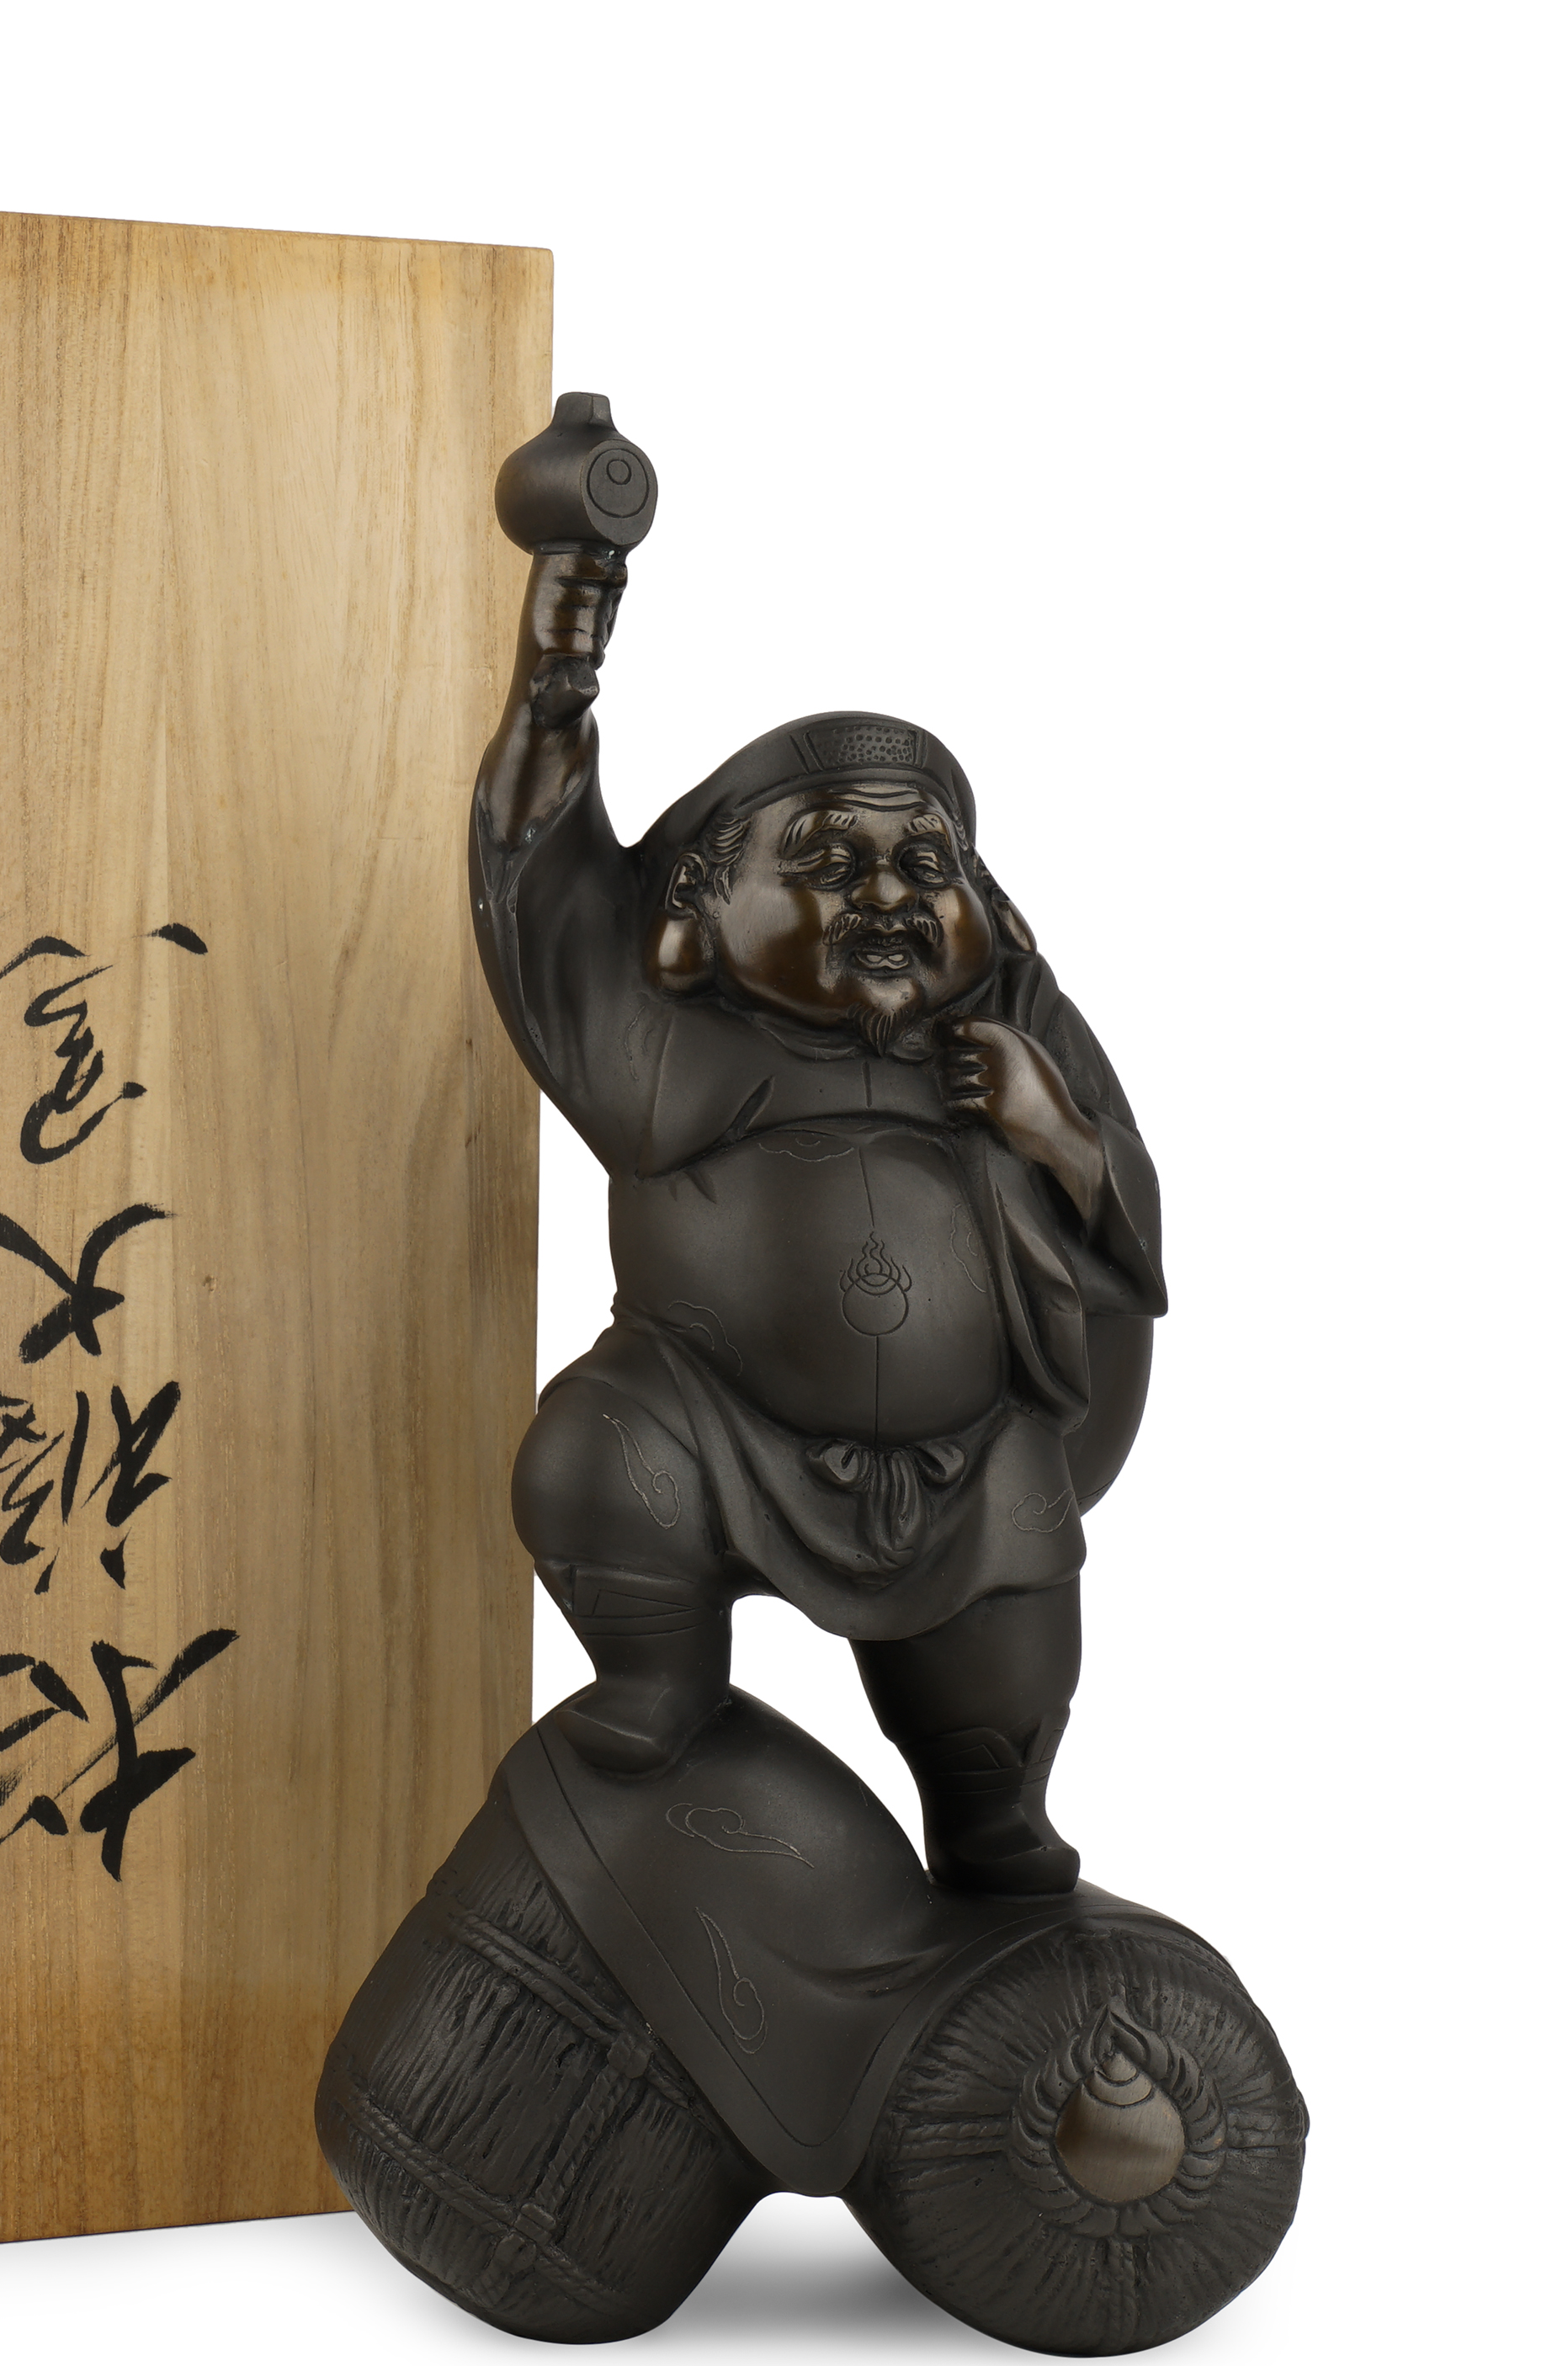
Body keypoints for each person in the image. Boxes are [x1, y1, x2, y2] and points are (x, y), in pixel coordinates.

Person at [471, 529, 1164, 1895]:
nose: (890, 898)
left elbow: (1132, 1228)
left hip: (969, 1456)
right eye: (833, 867)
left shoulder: (1012, 1025)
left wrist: (1054, 1130)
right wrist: (560, 670)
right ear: (703, 905)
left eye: (925, 866)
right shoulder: (655, 1036)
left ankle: (993, 1810)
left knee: (1007, 1664)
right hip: (712, 1424)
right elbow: (538, 881)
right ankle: (656, 1689)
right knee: (594, 1455)